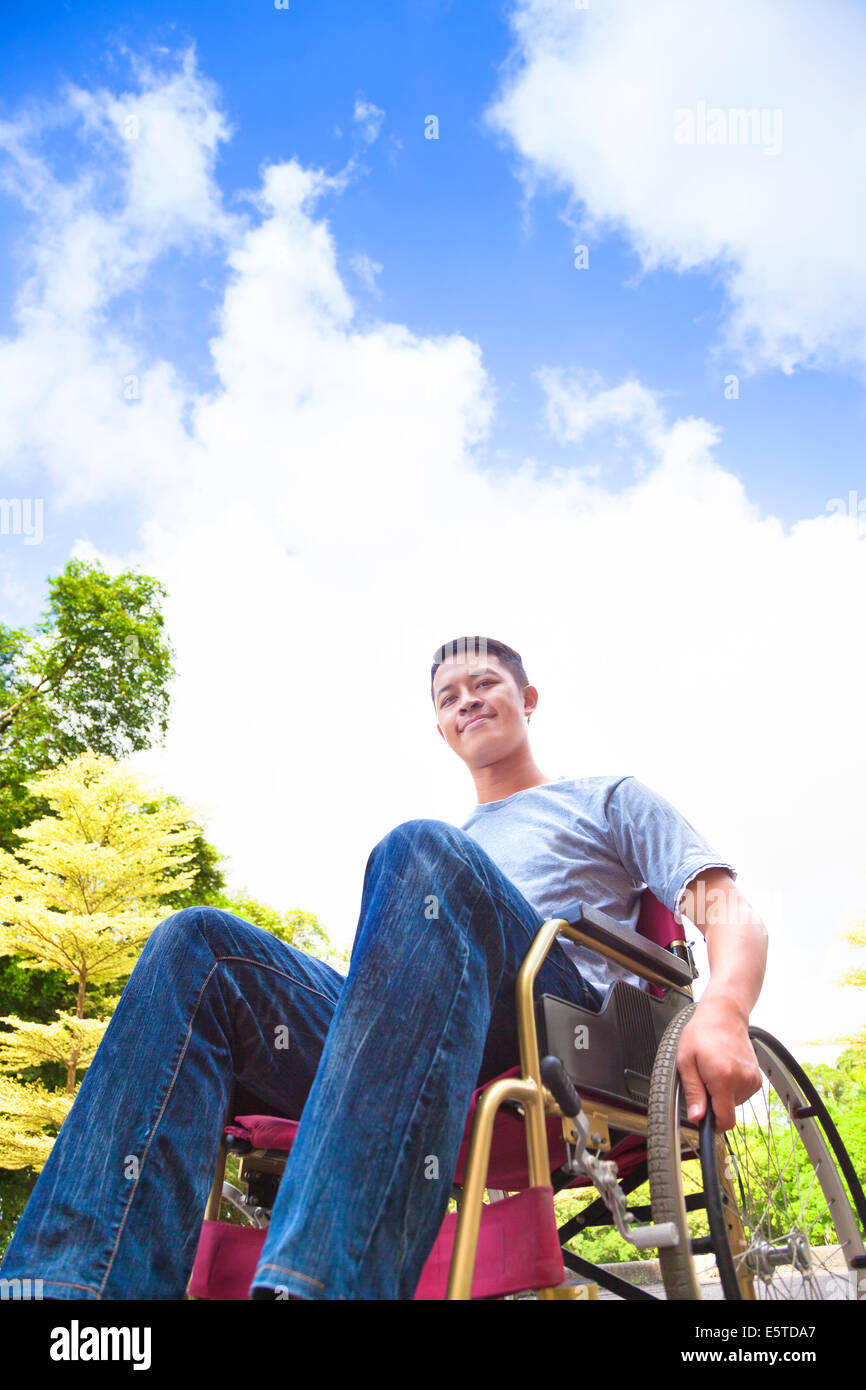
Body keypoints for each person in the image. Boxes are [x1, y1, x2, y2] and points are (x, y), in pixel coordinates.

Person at [0, 635, 766, 1301]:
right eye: (449, 697)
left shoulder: (604, 800)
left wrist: (726, 1007)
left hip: (554, 1021)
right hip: (416, 1026)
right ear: (439, 727)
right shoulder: (441, 850)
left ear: (528, 698)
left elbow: (725, 903)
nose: (467, 701)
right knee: (197, 946)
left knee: (419, 850)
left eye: (485, 684)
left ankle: (327, 1285)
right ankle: (76, 1297)